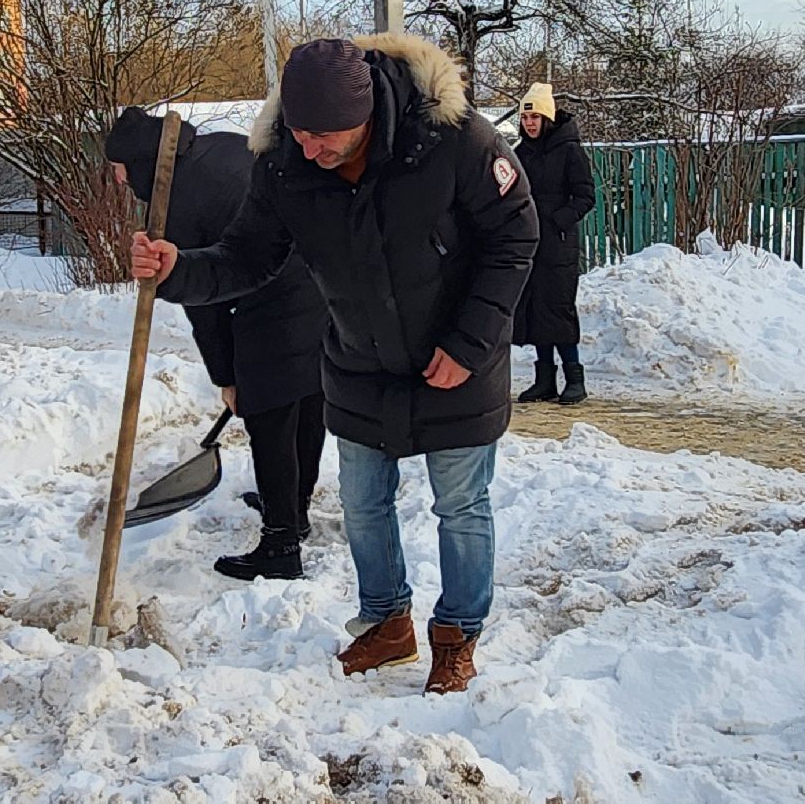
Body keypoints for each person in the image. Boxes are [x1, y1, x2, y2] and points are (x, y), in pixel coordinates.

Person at [130, 35, 538, 694]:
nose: (311, 148)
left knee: (460, 506)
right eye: (299, 132)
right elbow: (247, 254)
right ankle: (386, 625)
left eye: (327, 136)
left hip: (457, 360)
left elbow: (514, 235)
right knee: (363, 506)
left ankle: (456, 635)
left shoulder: (453, 141)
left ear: (369, 114)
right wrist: (181, 269)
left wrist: (470, 342)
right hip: (356, 360)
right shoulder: (283, 164)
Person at [103, 108, 329, 581]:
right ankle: (294, 507)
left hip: (270, 302)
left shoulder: (178, 200)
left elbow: (203, 304)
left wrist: (227, 376)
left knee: (269, 421)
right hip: (317, 285)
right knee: (307, 404)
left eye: (120, 171)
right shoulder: (222, 144)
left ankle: (280, 542)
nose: (121, 183)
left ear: (141, 163)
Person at [509, 82, 597, 405]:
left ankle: (574, 376)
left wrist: (559, 219)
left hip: (559, 245)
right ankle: (543, 379)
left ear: (547, 117)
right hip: (531, 243)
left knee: (558, 309)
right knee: (534, 310)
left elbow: (586, 195)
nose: (530, 124)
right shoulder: (519, 154)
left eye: (535, 118)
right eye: (525, 118)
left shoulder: (569, 150)